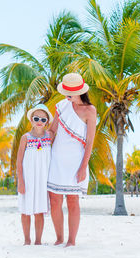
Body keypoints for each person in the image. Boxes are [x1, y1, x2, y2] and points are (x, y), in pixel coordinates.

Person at [47, 73, 97, 247]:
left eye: (71, 93)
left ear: (80, 92)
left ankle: (71, 240)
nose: (67, 96)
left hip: (76, 161)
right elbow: (52, 131)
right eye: (66, 92)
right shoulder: (61, 106)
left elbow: (90, 141)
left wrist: (83, 167)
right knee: (54, 199)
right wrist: (39, 139)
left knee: (72, 200)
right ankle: (59, 238)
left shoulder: (90, 111)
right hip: (56, 158)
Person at [17, 104, 53, 245]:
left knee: (40, 210)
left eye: (43, 120)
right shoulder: (25, 138)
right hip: (27, 180)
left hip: (43, 181)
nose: (39, 121)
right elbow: (19, 162)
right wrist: (21, 181)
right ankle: (27, 240)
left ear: (47, 122)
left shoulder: (50, 136)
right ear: (31, 119)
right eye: (36, 118)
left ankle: (38, 241)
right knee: (26, 211)